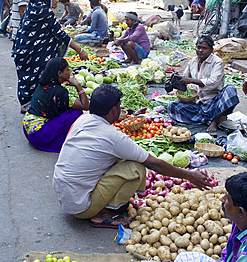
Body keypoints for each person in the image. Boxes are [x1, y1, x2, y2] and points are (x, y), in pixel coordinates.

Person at [53, 85, 211, 228]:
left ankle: (100, 205)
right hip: (82, 207)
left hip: (65, 197)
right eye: (119, 106)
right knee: (136, 167)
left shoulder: (82, 119)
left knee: (120, 158)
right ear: (114, 110)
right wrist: (188, 175)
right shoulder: (113, 136)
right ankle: (104, 215)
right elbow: (153, 164)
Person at [12, 0, 88, 114]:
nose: (57, 1)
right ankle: (31, 106)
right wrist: (80, 50)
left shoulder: (34, 7)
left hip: (25, 51)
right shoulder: (44, 11)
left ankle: (28, 104)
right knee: (34, 77)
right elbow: (60, 33)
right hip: (31, 53)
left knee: (30, 78)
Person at [168, 36, 239, 133]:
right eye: (198, 47)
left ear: (211, 50)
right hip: (198, 104)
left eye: (204, 48)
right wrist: (174, 82)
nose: (200, 50)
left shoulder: (217, 62)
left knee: (231, 90)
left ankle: (215, 120)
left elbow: (213, 83)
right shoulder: (192, 62)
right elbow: (184, 80)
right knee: (172, 106)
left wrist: (191, 80)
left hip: (215, 103)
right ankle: (205, 120)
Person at [174, 172, 247, 262]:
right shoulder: (239, 222)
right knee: (182, 258)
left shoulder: (245, 256)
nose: (222, 199)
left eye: (227, 198)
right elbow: (225, 257)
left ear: (240, 211)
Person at [23, 57, 89, 152]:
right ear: (60, 73)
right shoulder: (59, 93)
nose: (70, 71)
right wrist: (78, 86)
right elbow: (85, 106)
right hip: (38, 135)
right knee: (76, 113)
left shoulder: (43, 84)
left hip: (27, 128)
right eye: (67, 69)